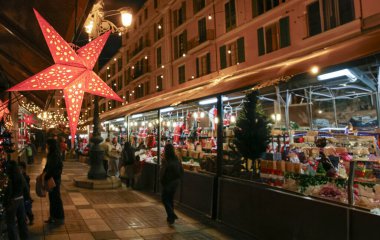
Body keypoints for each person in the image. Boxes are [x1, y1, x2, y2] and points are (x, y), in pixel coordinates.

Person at [4, 160, 29, 239]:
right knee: (22, 222)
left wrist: (6, 202)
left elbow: (9, 191)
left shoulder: (11, 177)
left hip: (13, 201)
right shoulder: (19, 175)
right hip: (20, 199)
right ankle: (25, 238)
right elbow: (25, 187)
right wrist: (26, 198)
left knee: (11, 223)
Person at [160, 143, 184, 224]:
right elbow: (182, 171)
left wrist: (161, 180)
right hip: (176, 182)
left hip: (168, 182)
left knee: (165, 199)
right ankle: (170, 218)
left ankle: (172, 214)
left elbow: (163, 172)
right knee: (170, 199)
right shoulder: (177, 159)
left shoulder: (165, 160)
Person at [44, 138, 64, 224]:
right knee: (52, 199)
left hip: (54, 179)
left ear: (51, 145)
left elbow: (53, 168)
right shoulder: (51, 154)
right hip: (52, 178)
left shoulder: (55, 155)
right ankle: (53, 217)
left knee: (56, 198)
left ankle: (59, 217)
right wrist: (44, 172)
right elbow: (48, 166)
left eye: (47, 144)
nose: (46, 145)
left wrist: (46, 176)